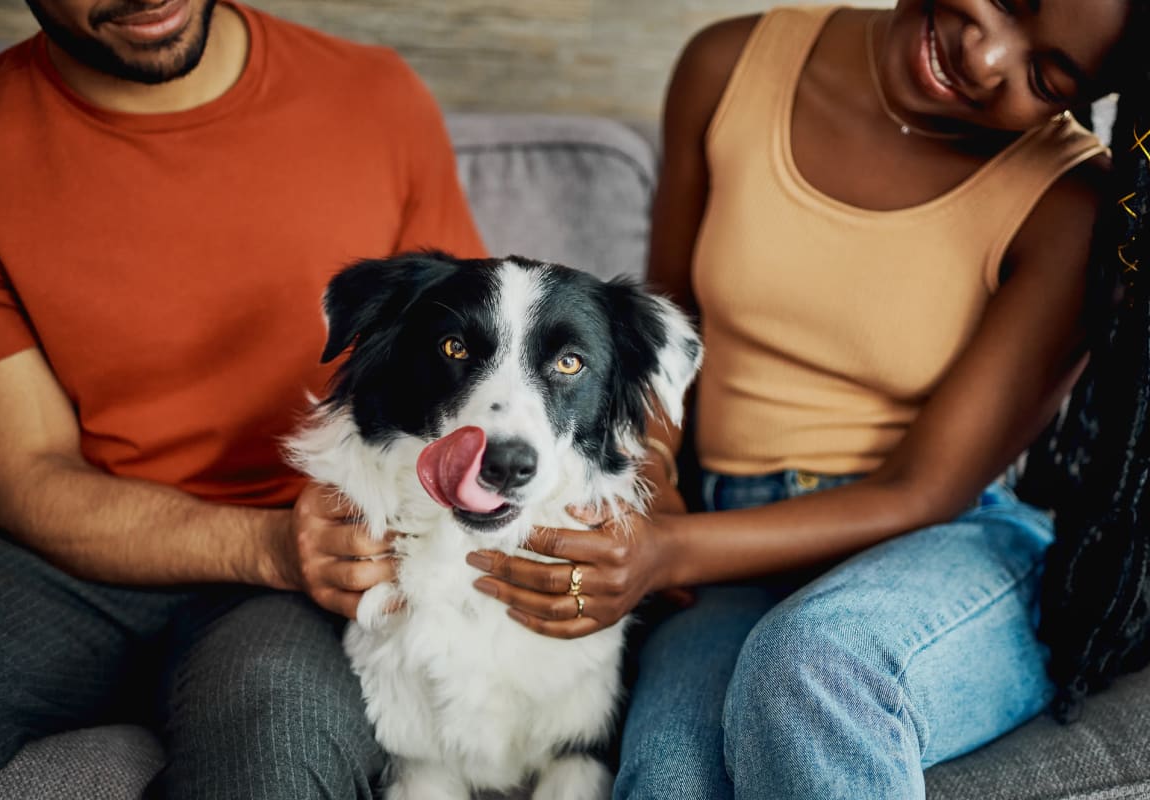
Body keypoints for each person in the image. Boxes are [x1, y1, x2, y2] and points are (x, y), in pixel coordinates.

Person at [462, 0, 1150, 797]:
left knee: (813, 666)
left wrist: (666, 551)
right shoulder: (729, 65)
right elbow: (666, 333)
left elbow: (924, 488)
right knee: (671, 777)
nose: (988, 56)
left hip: (936, 548)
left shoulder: (1072, 208)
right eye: (1007, 1)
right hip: (727, 545)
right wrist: (651, 479)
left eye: (1045, 76)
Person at [0, 0, 484, 796]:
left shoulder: (373, 98)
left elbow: (480, 380)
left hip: (319, 560)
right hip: (57, 559)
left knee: (276, 755)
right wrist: (266, 545)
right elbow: (24, 472)